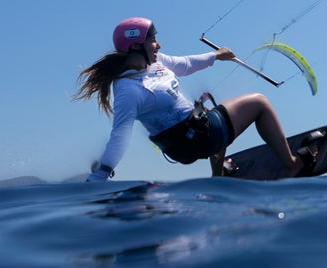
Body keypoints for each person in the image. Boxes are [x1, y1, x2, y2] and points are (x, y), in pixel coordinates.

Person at [75, 17, 308, 181]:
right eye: (153, 40)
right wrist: (100, 176)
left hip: (189, 138)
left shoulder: (154, 63)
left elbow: (184, 65)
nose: (158, 45)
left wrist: (216, 55)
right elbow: (119, 136)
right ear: (136, 46)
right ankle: (291, 165)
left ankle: (219, 176)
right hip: (197, 139)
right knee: (259, 102)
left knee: (209, 113)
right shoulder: (128, 90)